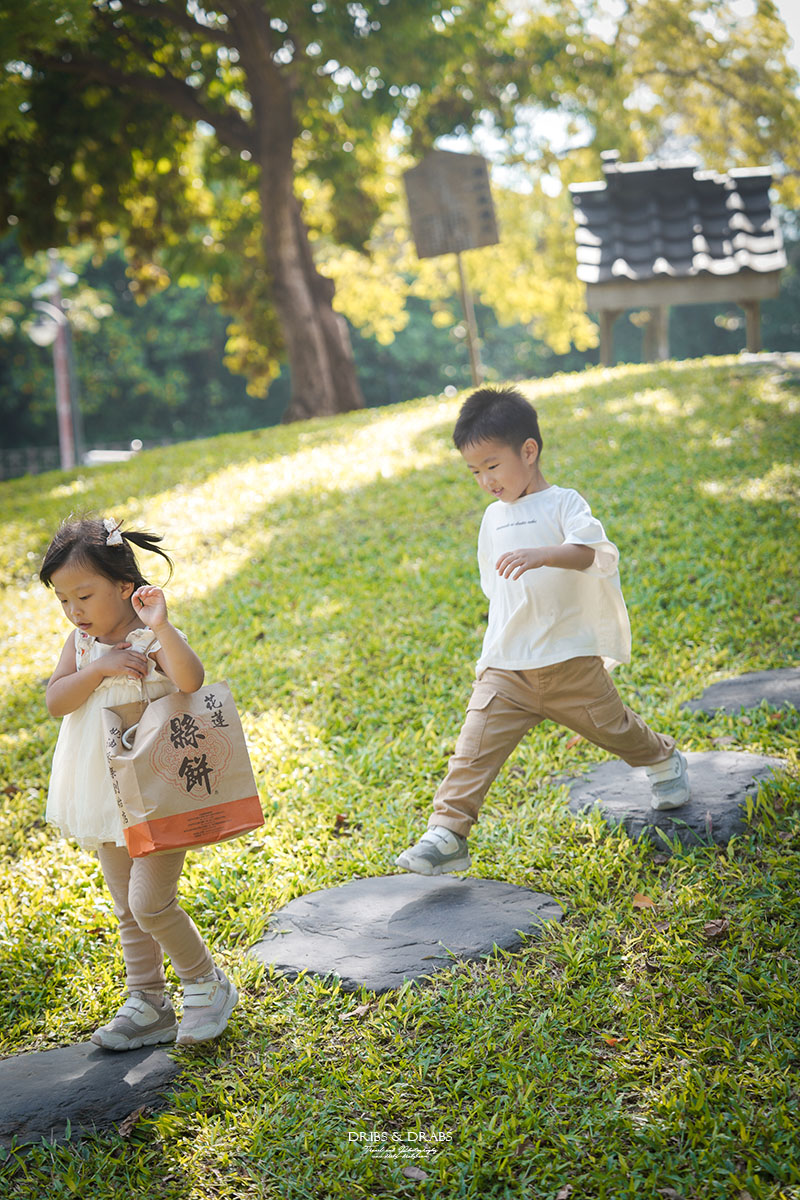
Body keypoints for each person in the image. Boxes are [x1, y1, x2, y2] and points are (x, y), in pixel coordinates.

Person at [396, 386, 690, 876]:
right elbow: (496, 589)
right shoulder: (492, 518)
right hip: (508, 666)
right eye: (474, 472)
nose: (485, 481)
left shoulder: (563, 503)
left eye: (493, 466)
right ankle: (448, 833)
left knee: (617, 730)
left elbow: (589, 552)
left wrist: (542, 555)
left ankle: (663, 760)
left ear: (528, 451)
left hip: (569, 663)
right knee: (472, 751)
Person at [40, 516, 238, 1050]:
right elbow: (56, 701)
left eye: (84, 596)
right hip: (102, 794)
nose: (74, 610)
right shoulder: (82, 645)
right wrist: (99, 670)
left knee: (149, 902)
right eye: (63, 600)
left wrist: (163, 628)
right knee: (127, 906)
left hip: (158, 791)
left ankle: (206, 983)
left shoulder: (150, 636)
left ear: (125, 585)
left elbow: (191, 680)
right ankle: (148, 1001)